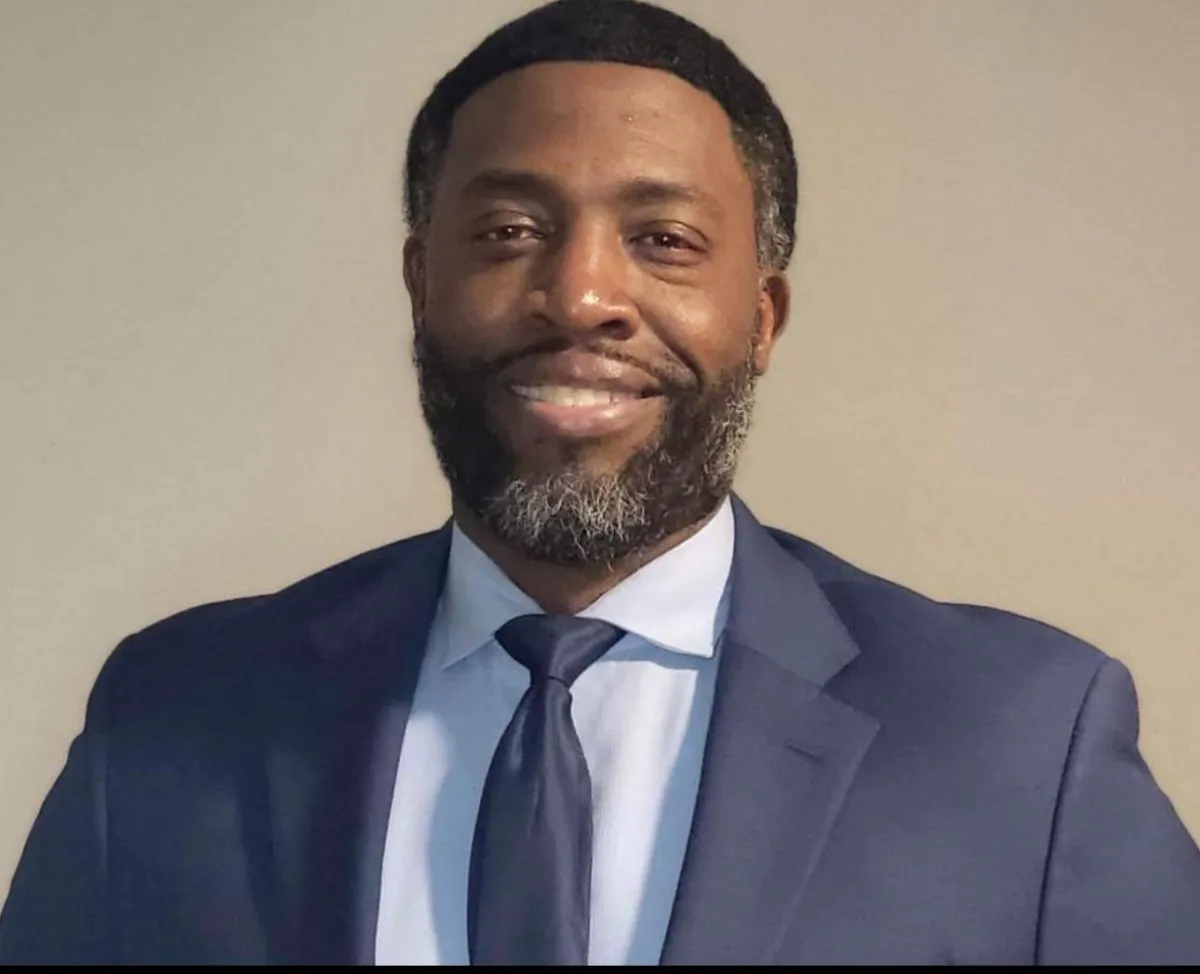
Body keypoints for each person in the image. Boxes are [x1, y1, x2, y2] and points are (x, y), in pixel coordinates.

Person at [2, 0, 1198, 965]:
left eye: (664, 239)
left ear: (763, 313)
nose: (579, 298)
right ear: (420, 282)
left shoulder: (1022, 741)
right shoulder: (173, 713)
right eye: (509, 230)